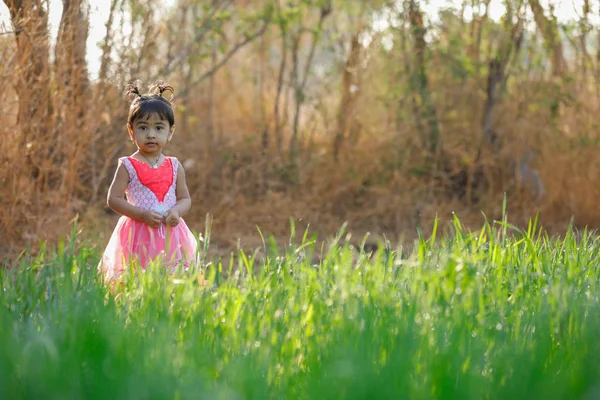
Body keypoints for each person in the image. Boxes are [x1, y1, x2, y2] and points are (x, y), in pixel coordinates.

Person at [98, 82, 199, 283]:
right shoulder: (128, 165)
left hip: (171, 234)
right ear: (131, 131)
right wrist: (142, 215)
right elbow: (114, 199)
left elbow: (185, 198)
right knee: (138, 277)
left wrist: (177, 211)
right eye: (143, 127)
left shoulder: (174, 165)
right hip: (138, 233)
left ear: (170, 132)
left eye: (158, 128)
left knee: (172, 277)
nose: (151, 134)